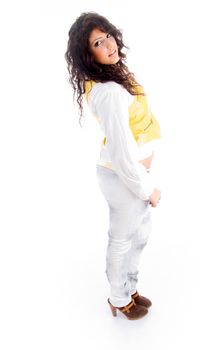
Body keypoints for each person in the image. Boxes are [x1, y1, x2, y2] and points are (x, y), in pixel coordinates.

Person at [65, 12, 161, 320]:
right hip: (122, 177)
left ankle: (129, 288)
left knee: (139, 235)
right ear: (87, 54)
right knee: (122, 239)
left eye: (107, 35)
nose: (108, 44)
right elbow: (121, 155)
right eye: (97, 42)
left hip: (130, 175)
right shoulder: (107, 92)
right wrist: (148, 188)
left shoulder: (110, 77)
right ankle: (118, 298)